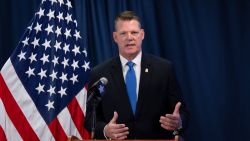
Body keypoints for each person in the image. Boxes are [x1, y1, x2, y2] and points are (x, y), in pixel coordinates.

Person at [85, 11, 189, 140]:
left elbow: (182, 112)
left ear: (142, 34)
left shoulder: (164, 69)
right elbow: (90, 118)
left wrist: (179, 122)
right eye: (123, 33)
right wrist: (106, 130)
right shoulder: (99, 73)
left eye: (134, 32)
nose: (129, 37)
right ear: (115, 37)